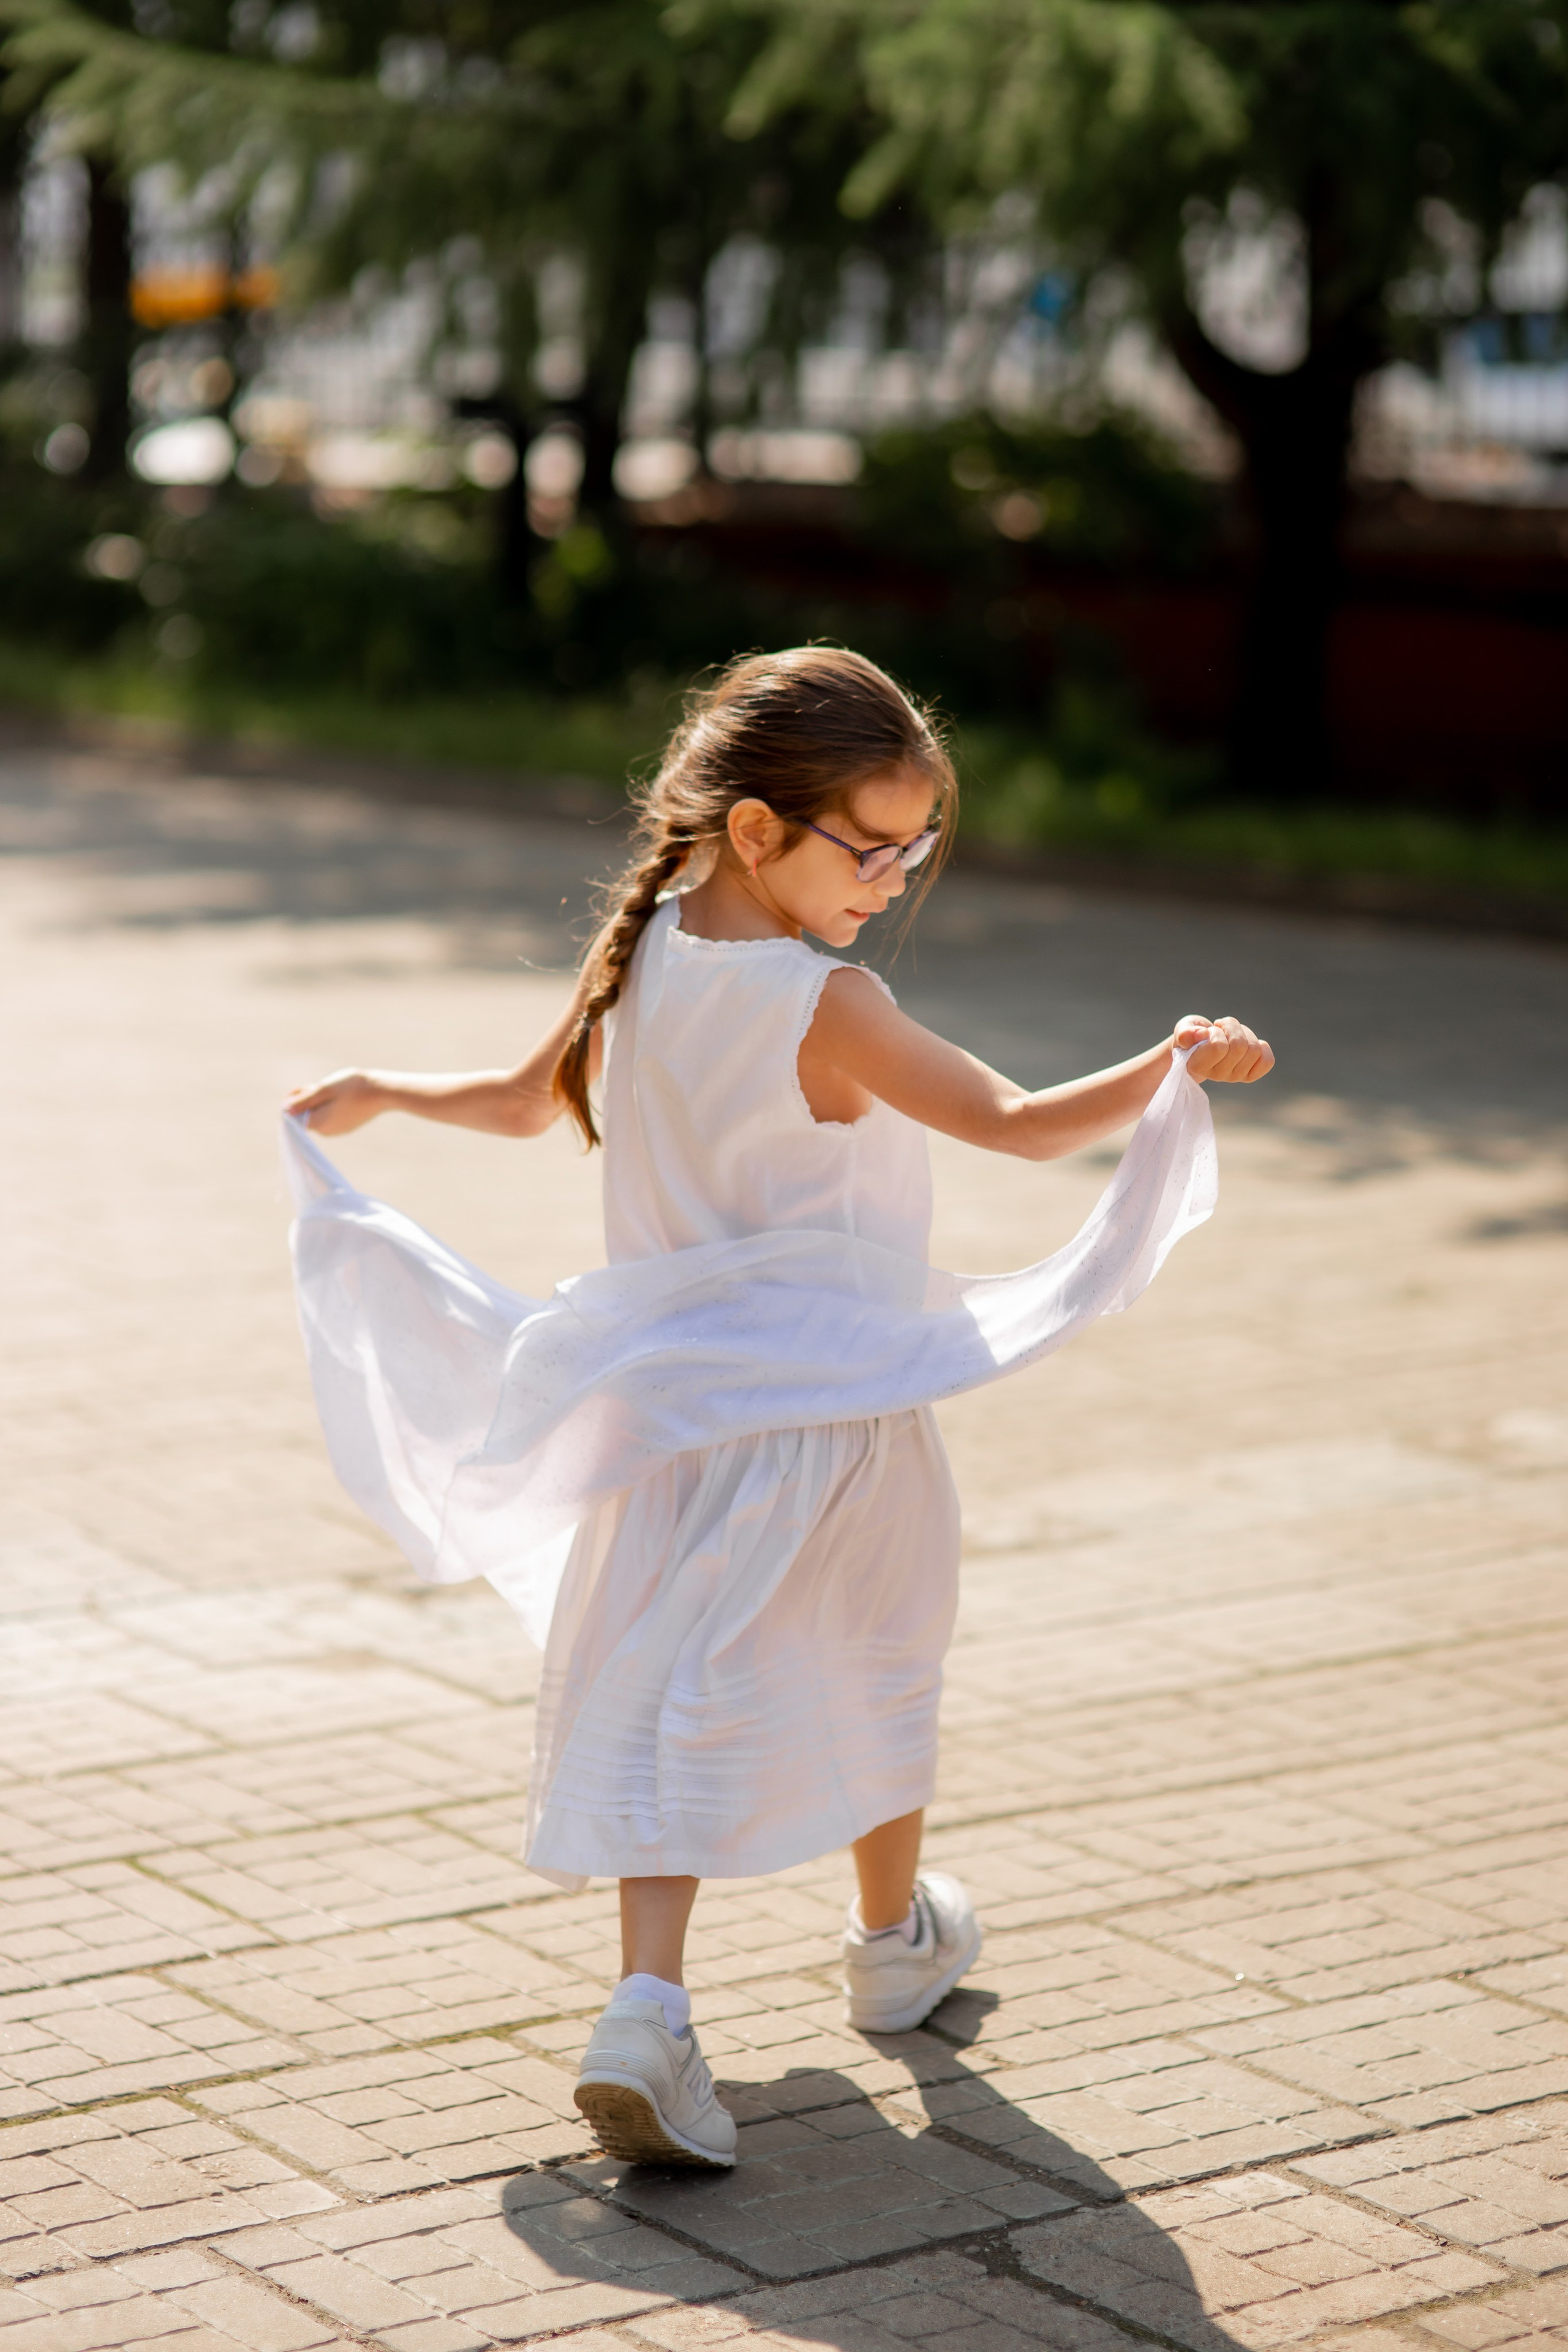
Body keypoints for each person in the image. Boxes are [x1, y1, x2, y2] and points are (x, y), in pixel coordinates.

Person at [285, 646, 1273, 2173]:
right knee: (879, 1651)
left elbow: (521, 1096)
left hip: (665, 1414)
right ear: (759, 830)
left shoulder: (649, 946)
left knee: (664, 1683)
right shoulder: (830, 1002)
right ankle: (888, 1941)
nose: (892, 878)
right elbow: (1014, 1127)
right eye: (868, 847)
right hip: (834, 1409)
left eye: (914, 848)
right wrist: (1177, 1059)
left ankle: (648, 2012)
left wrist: (383, 1091)